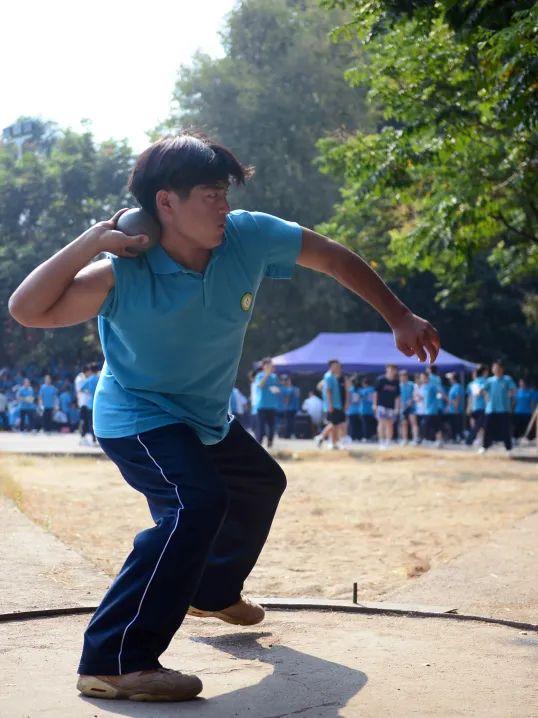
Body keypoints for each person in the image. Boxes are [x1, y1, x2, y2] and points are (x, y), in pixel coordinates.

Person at [8, 133, 439, 703]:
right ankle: (113, 660)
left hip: (205, 417)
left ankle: (211, 590)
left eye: (224, 192)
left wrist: (399, 315)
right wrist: (91, 240)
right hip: (139, 416)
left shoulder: (250, 236)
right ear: (165, 203)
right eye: (209, 194)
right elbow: (27, 309)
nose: (223, 205)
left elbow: (332, 257)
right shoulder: (124, 271)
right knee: (196, 503)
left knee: (261, 482)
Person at [479, 360, 516, 453]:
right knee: (487, 428)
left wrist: (511, 394)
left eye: (498, 368)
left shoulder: (507, 379)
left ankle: (509, 448)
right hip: (491, 408)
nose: (496, 369)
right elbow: (482, 390)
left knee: (505, 429)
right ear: (492, 369)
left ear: (502, 369)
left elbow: (513, 389)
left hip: (504, 409)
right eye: (494, 368)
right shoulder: (490, 380)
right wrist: (485, 395)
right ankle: (485, 446)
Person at [315, 359, 348, 449]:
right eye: (335, 366)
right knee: (335, 423)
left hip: (338, 404)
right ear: (330, 366)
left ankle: (333, 443)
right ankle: (321, 436)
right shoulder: (328, 376)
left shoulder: (336, 376)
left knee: (336, 425)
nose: (337, 367)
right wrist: (330, 405)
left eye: (338, 366)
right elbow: (328, 391)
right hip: (333, 405)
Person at [253, 358, 280, 447]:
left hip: (272, 406)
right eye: (268, 365)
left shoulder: (274, 377)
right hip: (262, 406)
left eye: (271, 365)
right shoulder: (259, 376)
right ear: (263, 366)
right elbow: (260, 385)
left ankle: (270, 445)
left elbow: (277, 388)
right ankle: (258, 446)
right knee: (261, 428)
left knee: (272, 428)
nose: (270, 367)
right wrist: (266, 375)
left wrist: (277, 390)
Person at [373, 364, 400, 449]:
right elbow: (375, 393)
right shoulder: (381, 380)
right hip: (381, 405)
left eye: (393, 369)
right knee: (381, 423)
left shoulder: (396, 382)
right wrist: (374, 404)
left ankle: (388, 442)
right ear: (387, 370)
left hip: (391, 406)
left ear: (395, 371)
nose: (391, 371)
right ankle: (381, 442)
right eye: (390, 369)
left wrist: (397, 408)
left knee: (390, 425)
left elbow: (397, 397)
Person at [465, 364, 489, 446]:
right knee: (479, 426)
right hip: (483, 407)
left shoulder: (471, 384)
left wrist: (468, 408)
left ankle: (479, 439)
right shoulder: (486, 381)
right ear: (484, 372)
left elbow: (470, 397)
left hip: (474, 407)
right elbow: (485, 394)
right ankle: (472, 440)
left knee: (477, 425)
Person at [399, 370, 419, 445]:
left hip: (412, 407)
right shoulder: (399, 386)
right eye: (401, 376)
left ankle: (415, 439)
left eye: (404, 376)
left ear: (407, 377)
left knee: (413, 422)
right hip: (402, 407)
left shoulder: (412, 385)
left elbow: (415, 394)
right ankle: (405, 439)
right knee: (404, 424)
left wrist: (411, 400)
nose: (402, 378)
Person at [446, 372, 465, 443]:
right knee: (453, 426)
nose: (449, 380)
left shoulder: (457, 387)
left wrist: (456, 409)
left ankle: (459, 439)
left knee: (457, 426)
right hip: (452, 411)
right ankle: (454, 439)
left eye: (450, 378)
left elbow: (457, 398)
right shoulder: (453, 387)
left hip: (456, 411)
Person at [359, 376, 377, 441]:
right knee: (372, 424)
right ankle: (373, 435)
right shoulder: (374, 390)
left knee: (365, 425)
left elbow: (358, 399)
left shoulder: (362, 391)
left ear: (364, 383)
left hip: (364, 410)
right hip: (372, 410)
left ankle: (366, 437)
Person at [346, 375, 363, 442]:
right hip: (359, 410)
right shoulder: (361, 391)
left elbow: (348, 400)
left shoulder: (349, 390)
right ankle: (359, 437)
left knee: (352, 425)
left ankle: (352, 437)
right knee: (358, 425)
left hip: (351, 410)